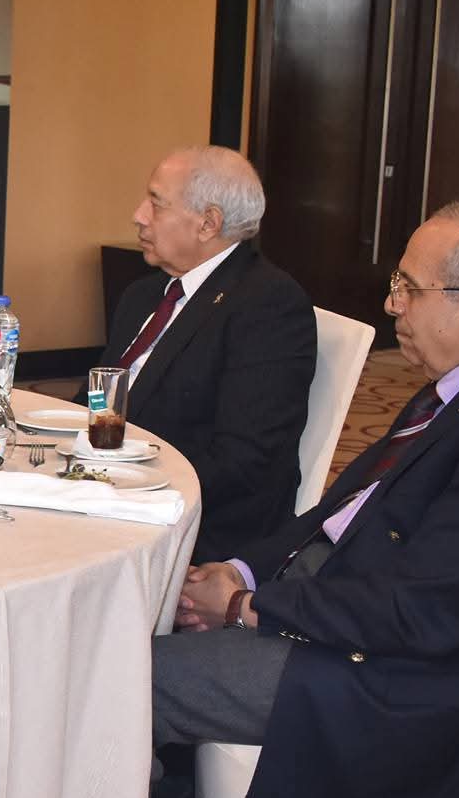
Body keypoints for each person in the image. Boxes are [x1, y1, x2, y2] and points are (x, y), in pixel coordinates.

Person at [150, 200, 459, 798]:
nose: (391, 303)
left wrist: (244, 608)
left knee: (128, 675)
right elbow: (338, 515)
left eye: (408, 287)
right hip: (355, 613)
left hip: (408, 686)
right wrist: (243, 571)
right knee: (137, 619)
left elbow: (426, 612)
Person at [97, 147, 315, 562]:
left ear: (208, 223)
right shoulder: (142, 294)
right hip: (113, 484)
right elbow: (99, 398)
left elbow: (244, 459)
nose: (138, 215)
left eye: (156, 203)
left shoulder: (267, 304)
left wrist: (117, 487)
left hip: (191, 522)